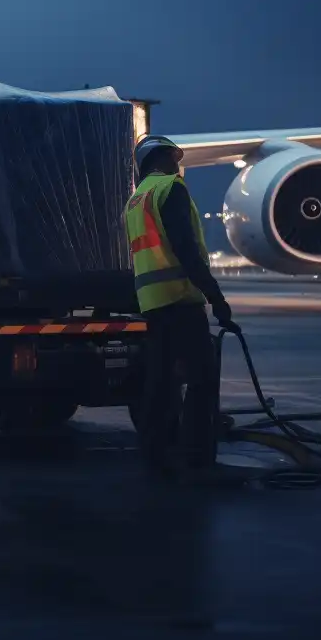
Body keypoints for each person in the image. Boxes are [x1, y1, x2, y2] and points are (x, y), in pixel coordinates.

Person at [125, 135, 236, 479]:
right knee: (202, 378)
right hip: (180, 298)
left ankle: (155, 452)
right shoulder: (170, 189)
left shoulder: (135, 200)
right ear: (160, 161)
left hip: (153, 301)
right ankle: (196, 455)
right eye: (174, 158)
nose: (178, 164)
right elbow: (185, 248)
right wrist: (216, 298)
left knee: (160, 381)